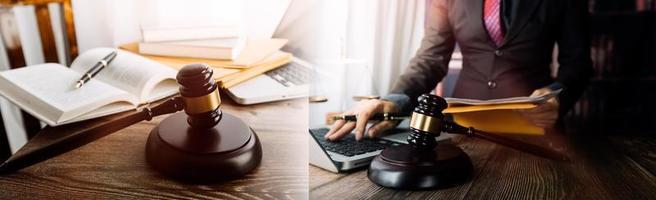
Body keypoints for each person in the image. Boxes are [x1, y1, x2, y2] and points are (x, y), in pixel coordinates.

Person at [325, 0, 593, 141]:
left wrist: (558, 95)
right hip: (462, 128)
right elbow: (431, 58)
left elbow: (578, 63)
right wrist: (393, 99)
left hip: (534, 129)